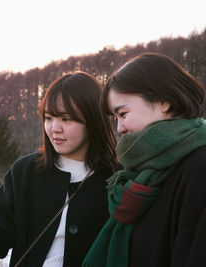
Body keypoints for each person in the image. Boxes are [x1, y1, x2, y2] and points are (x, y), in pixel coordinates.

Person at [0, 71, 119, 266]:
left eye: (66, 119)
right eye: (48, 117)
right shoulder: (26, 171)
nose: (54, 128)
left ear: (93, 120)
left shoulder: (117, 180)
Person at [83, 53, 206, 267]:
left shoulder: (199, 169)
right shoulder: (139, 175)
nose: (119, 128)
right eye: (115, 119)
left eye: (123, 114)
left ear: (163, 102)